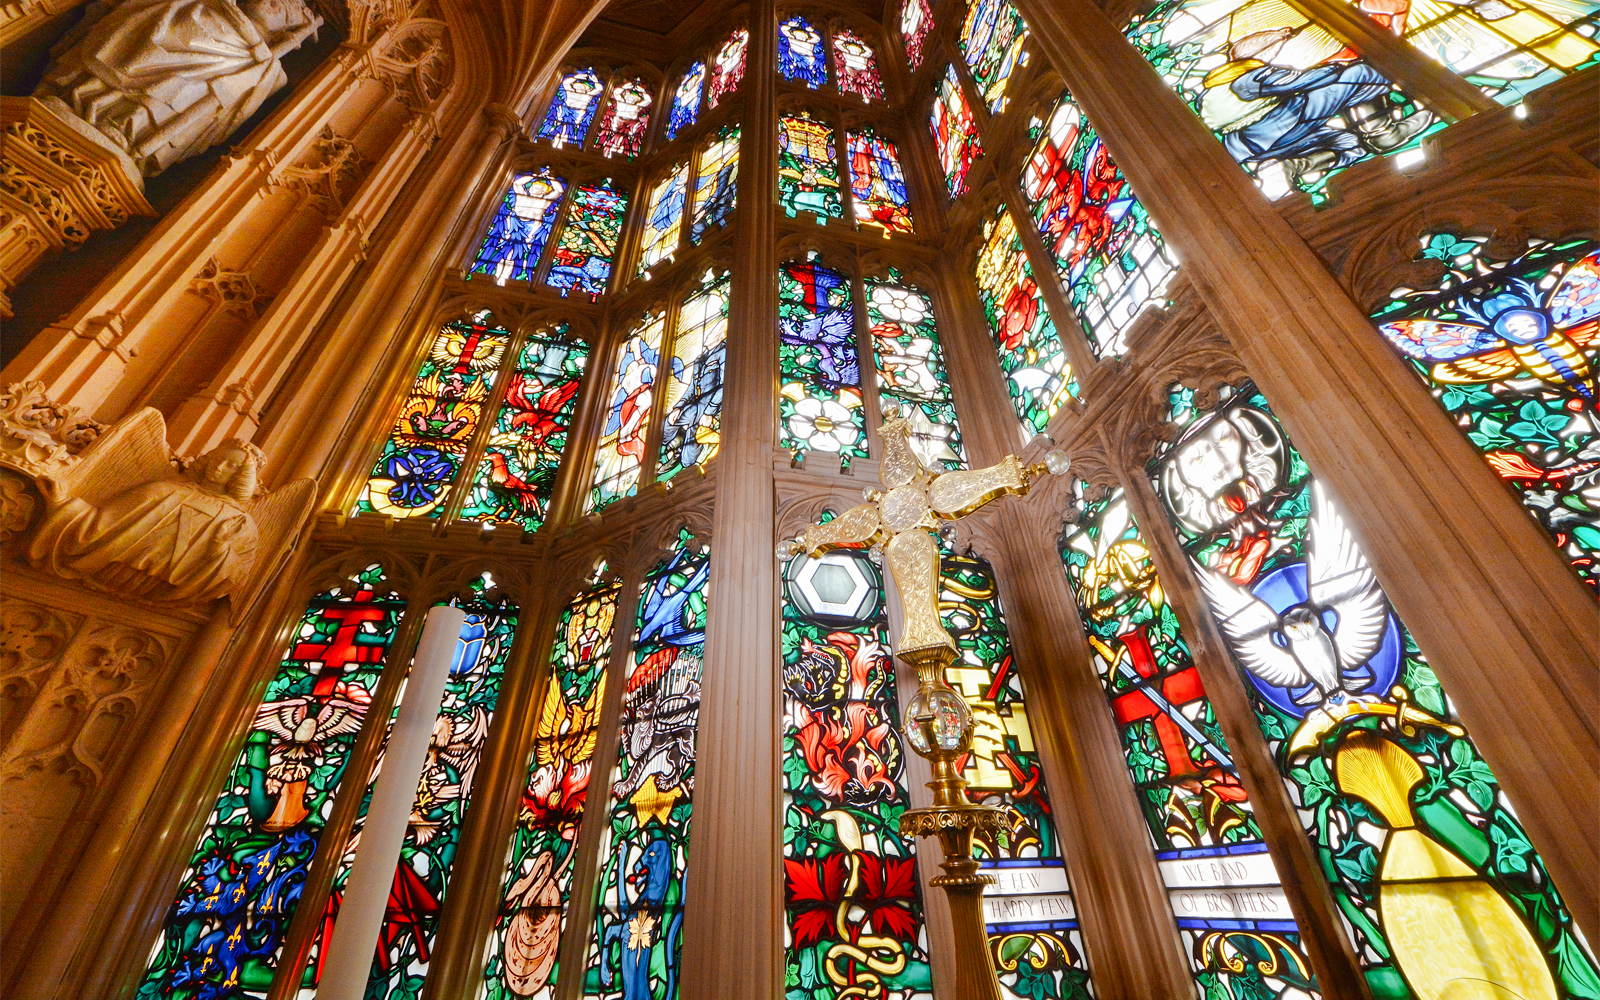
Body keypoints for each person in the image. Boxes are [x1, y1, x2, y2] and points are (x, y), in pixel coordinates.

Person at [36, 0, 322, 177]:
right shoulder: (196, 6)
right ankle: (89, 96)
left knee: (184, 90)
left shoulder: (266, 72)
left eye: (289, 11)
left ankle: (128, 128)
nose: (284, 3)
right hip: (55, 117)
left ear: (286, 32)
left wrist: (263, 66)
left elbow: (222, 115)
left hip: (113, 153)